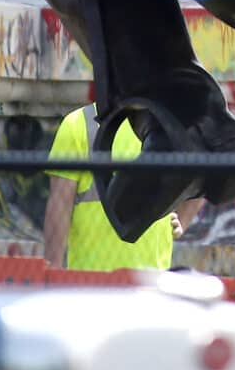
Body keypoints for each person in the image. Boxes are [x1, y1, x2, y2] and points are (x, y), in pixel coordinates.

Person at [44, 103, 202, 271]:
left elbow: (203, 173)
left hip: (104, 282)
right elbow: (60, 205)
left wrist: (181, 221)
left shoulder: (79, 123)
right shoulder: (78, 125)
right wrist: (53, 269)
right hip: (111, 283)